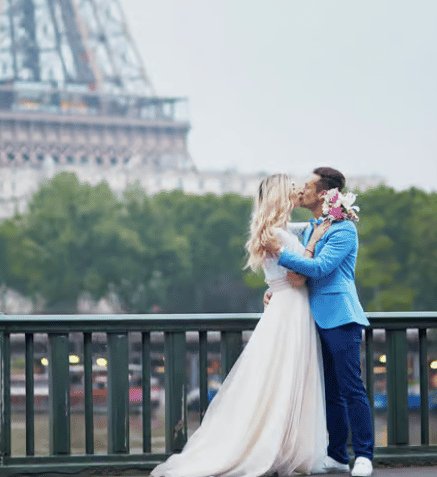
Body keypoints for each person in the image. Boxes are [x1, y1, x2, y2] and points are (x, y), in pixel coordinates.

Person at [151, 174, 329, 477]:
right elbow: (297, 277)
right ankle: (281, 447)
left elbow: (296, 251)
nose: (298, 194)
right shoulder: (276, 233)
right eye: (293, 191)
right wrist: (313, 242)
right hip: (290, 310)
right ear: (280, 196)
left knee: (284, 378)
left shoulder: (280, 231)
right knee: (286, 378)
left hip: (289, 307)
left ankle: (284, 446)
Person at [274, 166, 375, 477]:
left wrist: (277, 253)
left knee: (351, 388)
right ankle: (336, 455)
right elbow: (287, 234)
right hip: (314, 318)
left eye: (307, 185)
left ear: (322, 193)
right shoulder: (314, 228)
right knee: (330, 390)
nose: (301, 190)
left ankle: (364, 455)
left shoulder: (343, 230)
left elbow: (319, 268)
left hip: (341, 318)